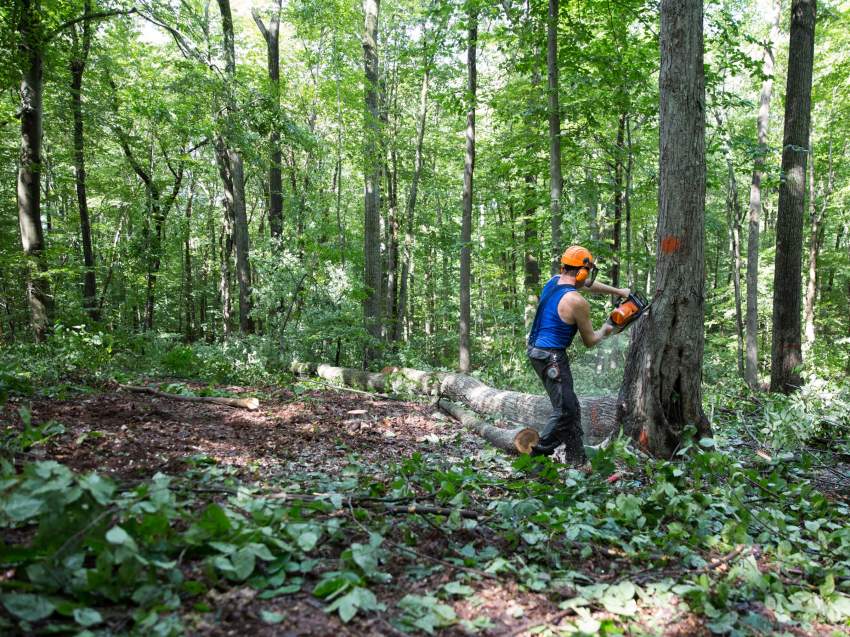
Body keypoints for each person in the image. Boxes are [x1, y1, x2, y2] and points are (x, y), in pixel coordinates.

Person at [526, 245, 629, 465]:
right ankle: (535, 458)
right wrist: (607, 328)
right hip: (551, 357)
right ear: (582, 272)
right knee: (566, 410)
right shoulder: (576, 302)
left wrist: (618, 292)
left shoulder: (554, 280)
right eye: (587, 272)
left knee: (571, 407)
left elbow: (586, 286)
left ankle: (577, 460)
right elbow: (590, 341)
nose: (589, 278)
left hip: (535, 351)